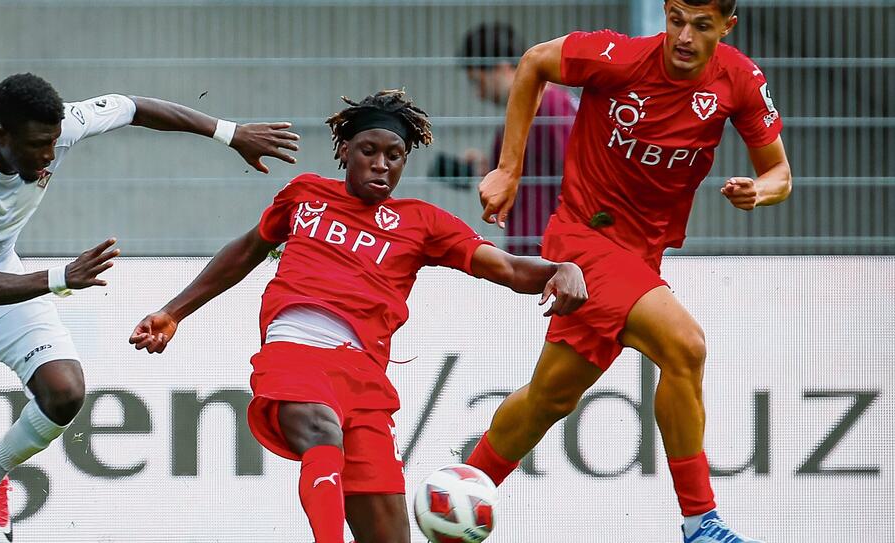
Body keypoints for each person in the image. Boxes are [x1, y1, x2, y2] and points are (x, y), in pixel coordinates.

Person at [129, 89, 587, 543]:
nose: (382, 164)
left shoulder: (423, 222)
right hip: (295, 349)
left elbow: (505, 266)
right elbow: (249, 249)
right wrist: (173, 312)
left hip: (365, 377)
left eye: (396, 155)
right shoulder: (305, 194)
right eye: (369, 150)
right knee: (321, 429)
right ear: (345, 151)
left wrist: (559, 268)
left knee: (388, 534)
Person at [0, 72, 300, 543]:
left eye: (53, 142)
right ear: (0, 135)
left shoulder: (60, 126)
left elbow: (134, 106)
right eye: (36, 146)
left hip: (2, 277)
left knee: (65, 391)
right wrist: (60, 279)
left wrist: (230, 133)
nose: (49, 155)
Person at [466, 0, 792, 541]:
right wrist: (508, 169)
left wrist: (760, 191)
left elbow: (779, 171)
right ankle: (701, 523)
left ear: (727, 27)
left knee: (549, 397)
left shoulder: (739, 78)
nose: (684, 36)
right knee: (684, 345)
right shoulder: (617, 57)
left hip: (640, 256)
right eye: (676, 20)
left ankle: (462, 485)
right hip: (584, 239)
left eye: (702, 26)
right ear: (666, 12)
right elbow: (533, 63)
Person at [456, 22, 578, 255]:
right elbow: (532, 170)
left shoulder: (549, 107)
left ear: (502, 68)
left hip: (553, 255)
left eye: (477, 82)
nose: (478, 93)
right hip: (534, 251)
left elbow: (574, 171)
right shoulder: (527, 111)